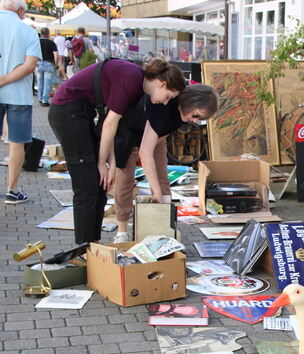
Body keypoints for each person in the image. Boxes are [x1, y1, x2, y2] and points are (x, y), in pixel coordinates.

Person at [48, 59, 185, 245]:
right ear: (162, 84)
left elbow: (113, 127)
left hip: (83, 114)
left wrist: (111, 164)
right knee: (87, 186)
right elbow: (109, 124)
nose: (165, 102)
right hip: (67, 112)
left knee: (100, 185)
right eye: (168, 96)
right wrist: (101, 163)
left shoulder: (138, 87)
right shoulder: (132, 80)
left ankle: (94, 245)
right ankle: (86, 250)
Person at [113, 84, 218, 242]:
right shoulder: (165, 104)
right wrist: (155, 190)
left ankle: (164, 227)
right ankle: (122, 231)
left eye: (200, 119)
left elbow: (161, 136)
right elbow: (145, 153)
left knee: (162, 180)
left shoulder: (183, 113)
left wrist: (158, 190)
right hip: (129, 132)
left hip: (155, 136)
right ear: (191, 102)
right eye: (196, 116)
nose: (195, 121)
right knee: (125, 180)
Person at [0, 0, 41, 204]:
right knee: (17, 142)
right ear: (21, 10)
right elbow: (30, 64)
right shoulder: (28, 31)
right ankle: (12, 190)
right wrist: (5, 80)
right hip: (19, 95)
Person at [37, 27, 58, 107]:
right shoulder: (51, 43)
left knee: (40, 82)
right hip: (49, 63)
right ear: (48, 33)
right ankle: (45, 100)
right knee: (47, 83)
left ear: (41, 33)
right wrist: (56, 63)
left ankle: (40, 98)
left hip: (39, 63)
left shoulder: (37, 42)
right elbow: (55, 54)